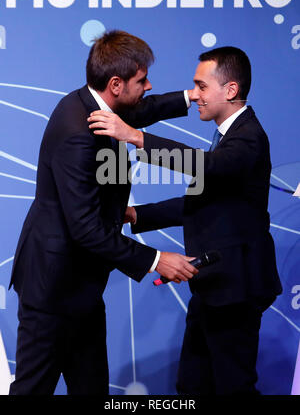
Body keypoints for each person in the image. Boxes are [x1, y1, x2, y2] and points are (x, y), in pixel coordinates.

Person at [8, 30, 198, 395]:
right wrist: (157, 259)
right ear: (115, 84)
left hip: (81, 289)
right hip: (52, 290)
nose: (148, 86)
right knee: (32, 390)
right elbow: (84, 228)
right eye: (141, 80)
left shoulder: (97, 105)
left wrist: (189, 98)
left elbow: (141, 110)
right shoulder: (78, 130)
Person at [88, 46, 282, 395]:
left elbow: (204, 168)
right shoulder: (226, 136)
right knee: (192, 385)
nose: (195, 96)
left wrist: (135, 136)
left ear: (231, 90)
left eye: (201, 87)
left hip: (236, 289)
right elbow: (200, 202)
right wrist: (137, 214)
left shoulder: (249, 137)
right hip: (213, 286)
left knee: (233, 386)